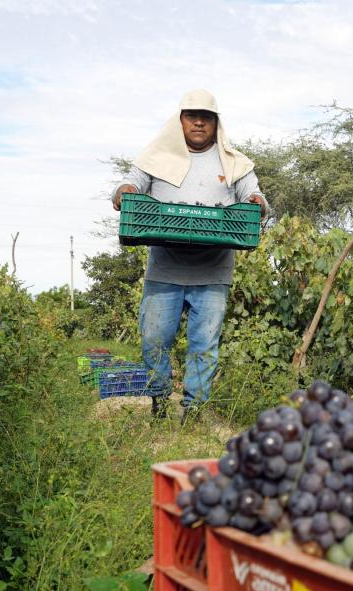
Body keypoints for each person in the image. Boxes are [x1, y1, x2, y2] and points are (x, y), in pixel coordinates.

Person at [112, 89, 268, 422]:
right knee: (154, 339)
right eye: (191, 116)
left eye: (207, 117)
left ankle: (193, 410)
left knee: (205, 346)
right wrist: (124, 192)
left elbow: (255, 195)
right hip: (165, 268)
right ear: (179, 120)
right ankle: (157, 400)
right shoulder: (156, 156)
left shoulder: (233, 162)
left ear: (216, 123)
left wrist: (258, 203)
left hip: (213, 271)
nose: (199, 122)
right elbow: (131, 184)